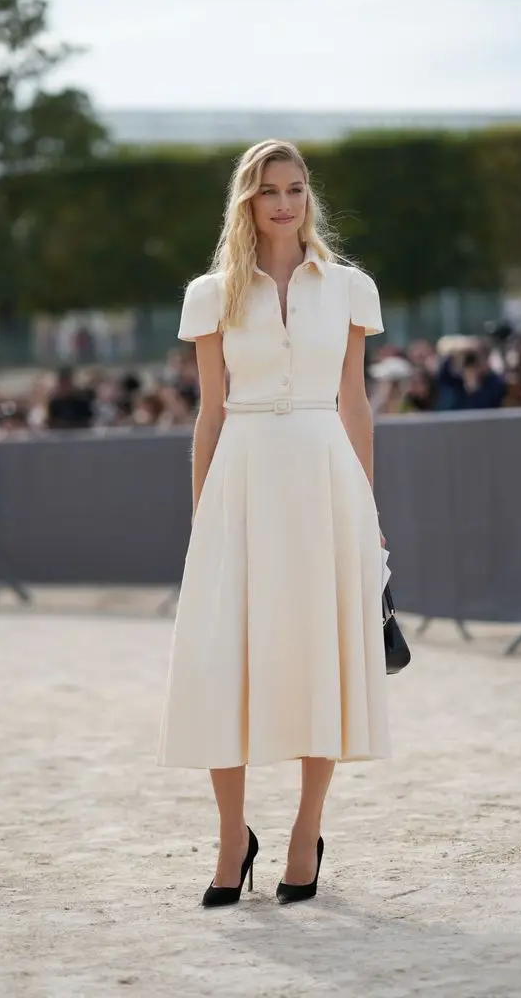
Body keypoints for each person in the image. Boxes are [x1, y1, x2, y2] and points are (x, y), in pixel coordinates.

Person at [157, 140, 390, 908]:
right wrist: (203, 521)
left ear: (307, 197)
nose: (284, 203)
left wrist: (368, 510)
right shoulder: (209, 294)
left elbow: (354, 403)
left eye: (294, 189)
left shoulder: (350, 288)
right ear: (246, 202)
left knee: (317, 654)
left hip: (326, 482)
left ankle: (303, 834)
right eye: (268, 191)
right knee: (225, 657)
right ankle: (232, 840)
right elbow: (210, 413)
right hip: (241, 482)